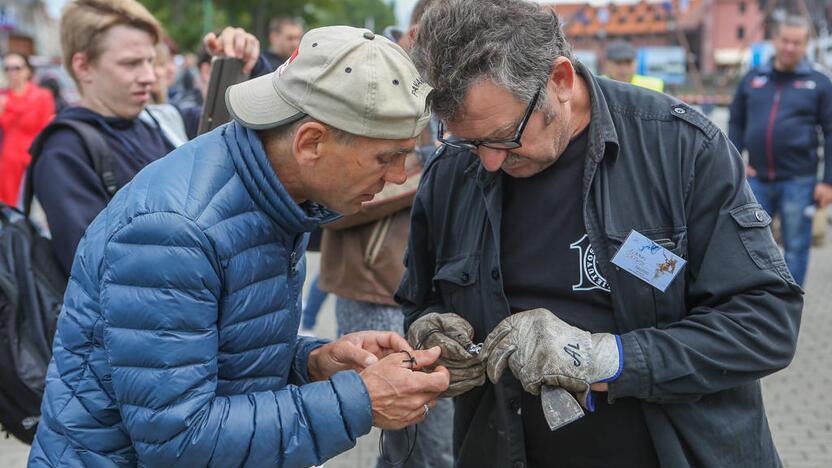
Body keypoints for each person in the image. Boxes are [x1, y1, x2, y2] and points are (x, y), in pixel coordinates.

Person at [397, 1, 803, 467]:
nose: (488, 162)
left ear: (561, 80)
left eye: (505, 136)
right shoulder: (453, 172)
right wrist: (429, 331)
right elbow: (419, 299)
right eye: (469, 141)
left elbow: (764, 323)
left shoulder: (681, 151)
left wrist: (604, 357)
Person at [29, 24, 448, 467]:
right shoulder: (173, 232)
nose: (400, 176)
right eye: (387, 157)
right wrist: (358, 401)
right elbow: (180, 442)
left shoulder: (272, 188)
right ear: (311, 142)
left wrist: (315, 363)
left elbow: (216, 358)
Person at [31, 0, 266, 277]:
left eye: (150, 61)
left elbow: (251, 130)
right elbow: (98, 271)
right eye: (131, 63)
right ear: (83, 66)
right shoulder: (65, 151)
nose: (149, 76)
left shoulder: (165, 120)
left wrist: (248, 66)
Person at [317, 3, 454, 467]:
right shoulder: (371, 82)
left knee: (427, 434)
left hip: (435, 290)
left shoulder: (444, 86)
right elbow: (328, 200)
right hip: (379, 290)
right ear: (420, 33)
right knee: (418, 437)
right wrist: (433, 166)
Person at [729, 15, 832, 286]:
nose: (789, 47)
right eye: (785, 41)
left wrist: (828, 182)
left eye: (796, 43)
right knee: (747, 242)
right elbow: (736, 122)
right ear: (774, 41)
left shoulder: (819, 84)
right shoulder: (753, 79)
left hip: (799, 181)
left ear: (805, 45)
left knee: (796, 246)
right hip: (755, 180)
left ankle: (788, 303)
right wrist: (736, 162)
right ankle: (753, 298)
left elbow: (831, 134)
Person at [0, 53, 54, 206]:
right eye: (7, 68)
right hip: (8, 164)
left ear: (27, 71)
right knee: (9, 211)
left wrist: (8, 106)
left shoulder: (42, 96)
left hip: (34, 161)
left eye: (16, 68)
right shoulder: (3, 97)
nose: (12, 73)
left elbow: (46, 130)